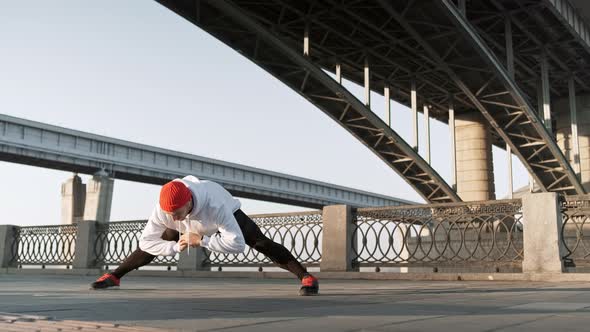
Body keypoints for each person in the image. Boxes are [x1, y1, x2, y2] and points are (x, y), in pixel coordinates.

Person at [90, 175, 319, 296]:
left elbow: (237, 245)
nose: (175, 218)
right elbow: (147, 241)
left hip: (223, 216)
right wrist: (174, 247)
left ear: (189, 201)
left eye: (177, 213)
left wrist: (202, 240)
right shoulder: (165, 210)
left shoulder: (215, 204)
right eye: (171, 215)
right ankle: (115, 276)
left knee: (260, 243)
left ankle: (306, 277)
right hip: (193, 222)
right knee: (151, 245)